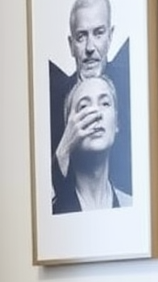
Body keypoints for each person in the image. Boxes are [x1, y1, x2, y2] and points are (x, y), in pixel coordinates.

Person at [48, 0, 131, 202]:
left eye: (99, 33)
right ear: (71, 45)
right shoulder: (52, 98)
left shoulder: (131, 86)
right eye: (81, 36)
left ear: (111, 36)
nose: (90, 48)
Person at [52, 72, 133, 214]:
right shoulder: (53, 207)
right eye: (83, 106)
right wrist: (63, 150)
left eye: (105, 103)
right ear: (69, 130)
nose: (96, 113)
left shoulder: (130, 205)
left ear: (117, 124)